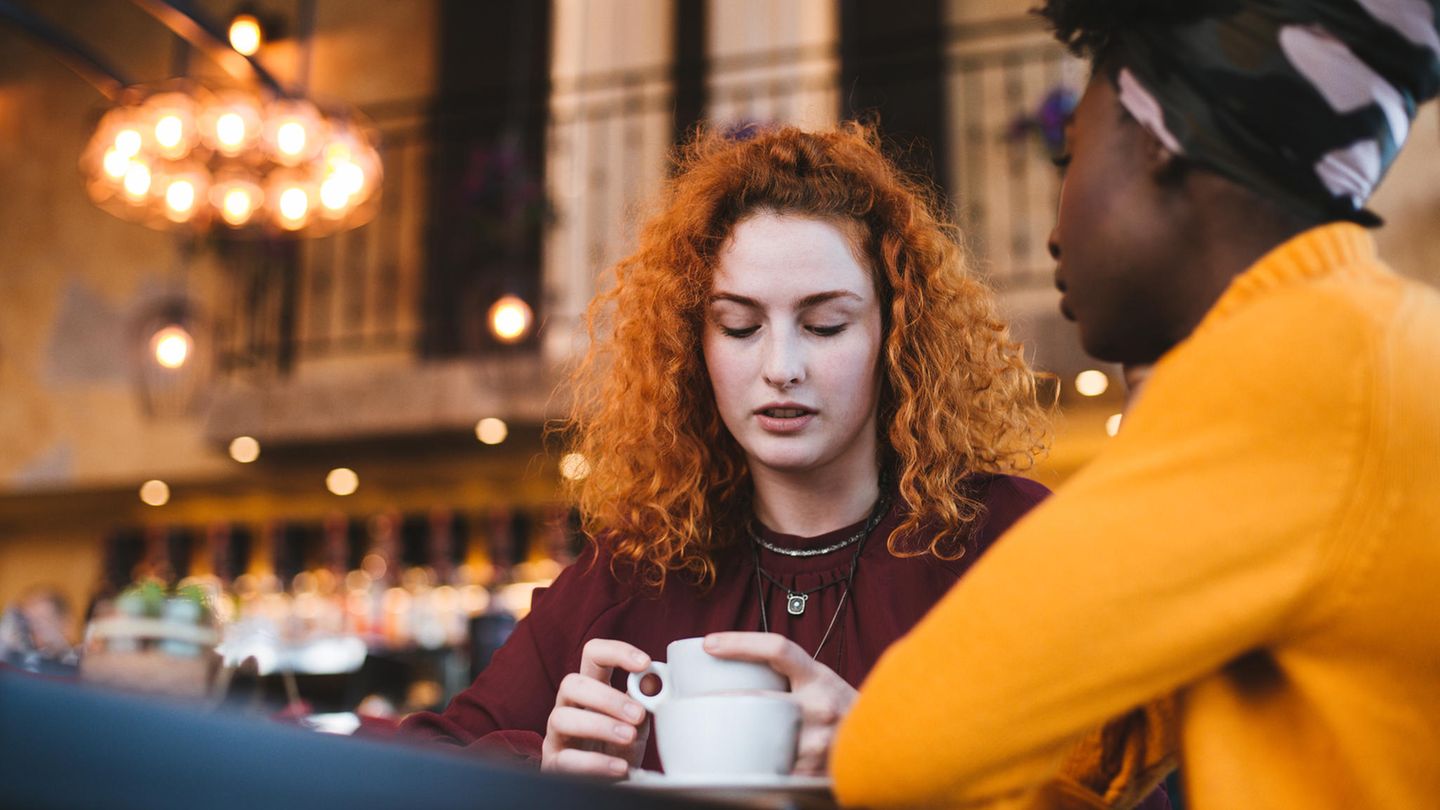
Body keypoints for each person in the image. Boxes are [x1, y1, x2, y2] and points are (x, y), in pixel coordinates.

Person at [833, 1, 1440, 808]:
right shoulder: (1371, 345)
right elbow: (1096, 761)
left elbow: (894, 757)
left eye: (1070, 152)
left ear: (1158, 140)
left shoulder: (1292, 371)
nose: (1054, 232)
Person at [401, 124, 1056, 779]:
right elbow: (422, 766)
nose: (782, 367)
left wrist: (891, 761)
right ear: (695, 345)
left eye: (825, 325)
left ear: (896, 334)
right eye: (739, 326)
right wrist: (540, 776)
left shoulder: (1006, 545)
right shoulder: (632, 570)